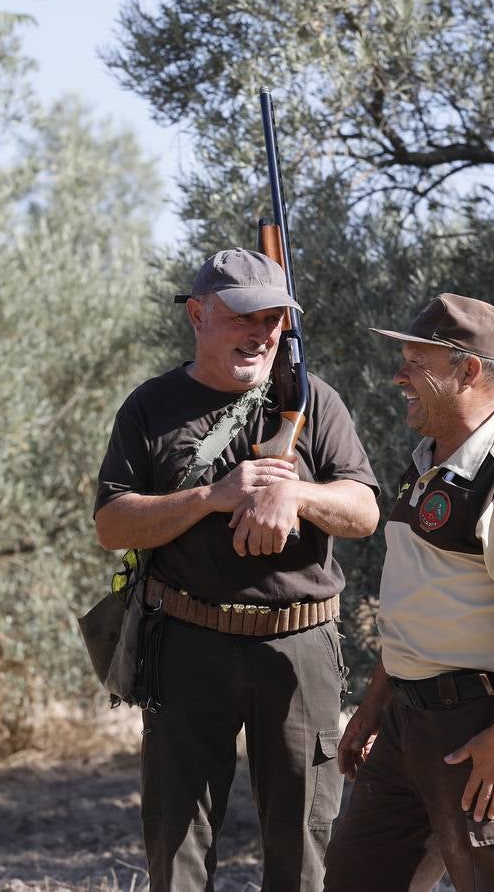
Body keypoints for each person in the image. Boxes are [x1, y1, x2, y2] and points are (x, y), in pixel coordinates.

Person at [93, 248, 381, 892]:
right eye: (242, 318)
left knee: (307, 841)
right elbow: (112, 525)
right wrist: (210, 496)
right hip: (188, 642)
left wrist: (295, 493)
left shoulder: (314, 401)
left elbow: (363, 511)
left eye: (274, 318)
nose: (260, 334)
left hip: (300, 645)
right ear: (197, 315)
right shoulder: (151, 407)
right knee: (178, 840)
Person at [323, 294, 494, 892]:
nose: (399, 376)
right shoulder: (429, 465)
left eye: (417, 363)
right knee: (356, 878)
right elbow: (421, 603)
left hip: (482, 723)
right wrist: (374, 705)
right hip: (408, 719)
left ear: (468, 371)